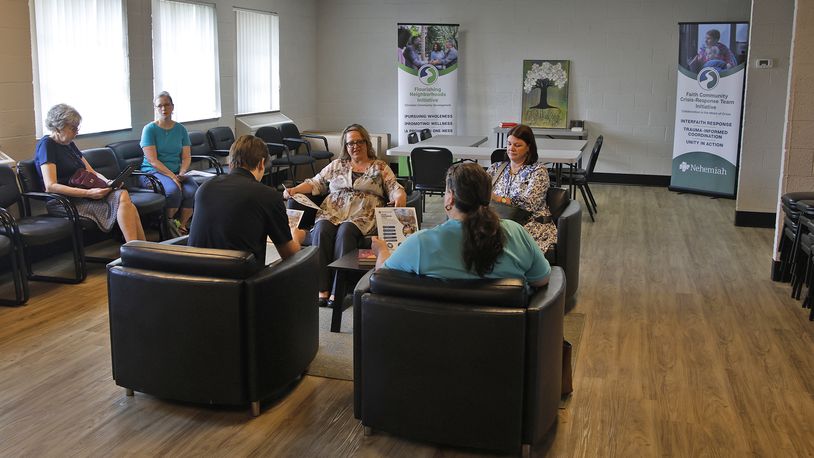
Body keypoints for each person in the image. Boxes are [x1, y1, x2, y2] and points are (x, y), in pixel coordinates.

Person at [283, 124, 406, 306]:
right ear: (345, 146)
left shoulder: (379, 166)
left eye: (359, 142)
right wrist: (294, 189)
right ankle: (321, 287)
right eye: (350, 143)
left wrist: (400, 196)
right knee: (322, 228)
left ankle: (338, 288)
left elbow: (394, 187)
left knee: (345, 231)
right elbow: (315, 182)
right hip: (333, 210)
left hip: (363, 215)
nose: (355, 146)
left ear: (366, 143)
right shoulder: (337, 165)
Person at [372, 162, 550, 287]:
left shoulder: (421, 243)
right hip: (505, 334)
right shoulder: (516, 233)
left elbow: (382, 277)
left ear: (450, 197)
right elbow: (541, 279)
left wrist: (382, 251)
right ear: (488, 197)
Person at [188, 135, 304, 268]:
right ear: (261, 163)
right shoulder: (268, 195)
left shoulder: (205, 187)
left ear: (231, 162)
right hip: (240, 281)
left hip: (195, 276)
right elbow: (289, 254)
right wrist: (297, 237)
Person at [34, 103, 145, 241]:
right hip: (64, 201)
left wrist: (107, 182)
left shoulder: (69, 145)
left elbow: (90, 171)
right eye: (73, 128)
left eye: (77, 128)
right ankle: (136, 251)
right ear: (58, 127)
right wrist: (88, 193)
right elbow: (51, 186)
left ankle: (139, 249)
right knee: (125, 201)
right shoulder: (47, 145)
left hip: (83, 194)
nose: (77, 132)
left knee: (123, 197)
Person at [486, 124, 557, 254]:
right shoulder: (496, 168)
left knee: (497, 242)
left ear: (528, 148)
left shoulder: (538, 171)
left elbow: (530, 204)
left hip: (530, 224)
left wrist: (498, 198)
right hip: (499, 223)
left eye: (517, 145)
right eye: (509, 144)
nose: (511, 148)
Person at [139, 91, 198, 234]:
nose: (163, 109)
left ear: (172, 107)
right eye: (160, 106)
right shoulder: (149, 129)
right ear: (156, 108)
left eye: (166, 105)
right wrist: (173, 177)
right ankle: (168, 225)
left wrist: (182, 172)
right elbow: (153, 161)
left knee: (193, 190)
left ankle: (182, 226)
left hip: (177, 172)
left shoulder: (181, 129)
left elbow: (186, 157)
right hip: (152, 173)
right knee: (173, 191)